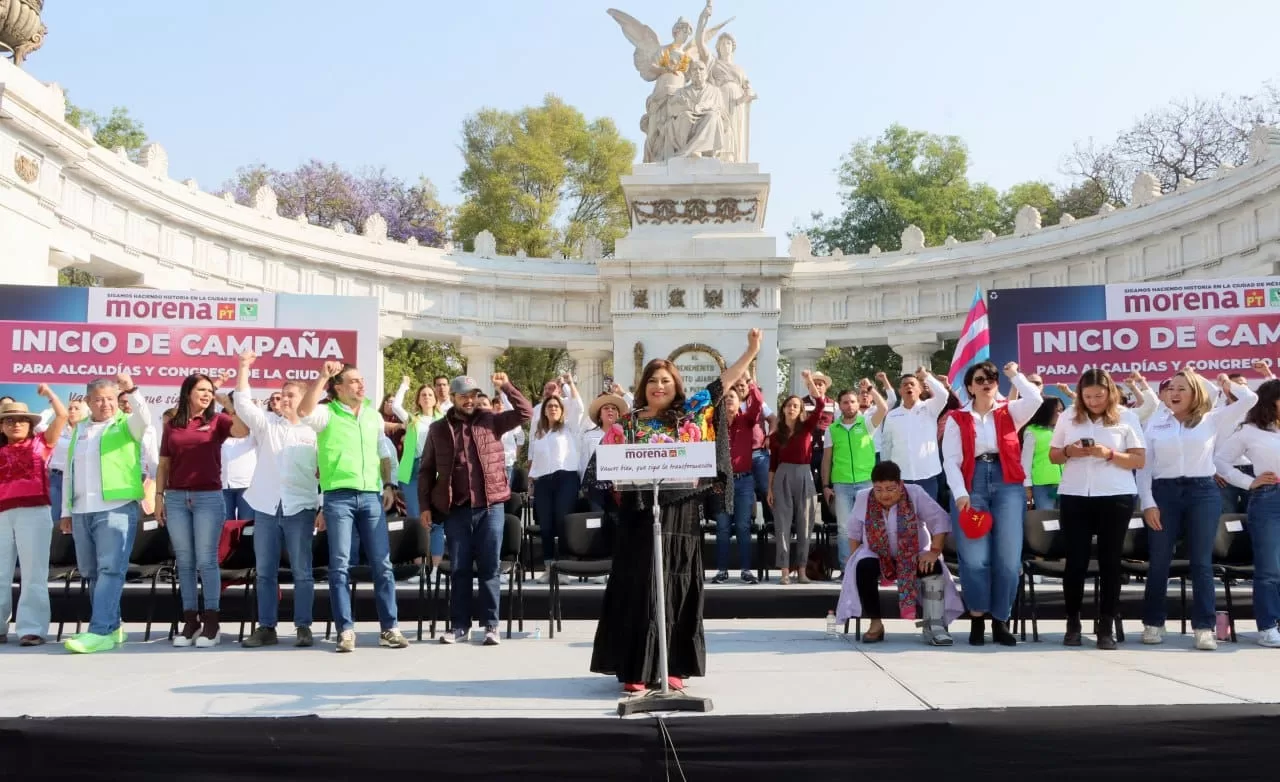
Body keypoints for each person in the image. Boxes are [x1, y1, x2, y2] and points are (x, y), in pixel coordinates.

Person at [588, 329, 761, 693]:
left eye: (666, 380)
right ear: (643, 386)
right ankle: (635, 668)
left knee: (675, 585)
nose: (659, 386)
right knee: (640, 586)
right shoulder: (627, 424)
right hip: (639, 515)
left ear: (676, 385)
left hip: (681, 514)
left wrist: (751, 351)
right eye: (652, 380)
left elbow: (722, 383)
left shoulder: (691, 413)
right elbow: (600, 472)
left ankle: (674, 665)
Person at [1137, 368, 1255, 650]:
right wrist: (1148, 502)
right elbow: (1144, 468)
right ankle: (1153, 622)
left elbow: (1249, 399)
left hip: (1202, 491)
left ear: (1195, 393)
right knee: (1160, 560)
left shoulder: (1212, 419)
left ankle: (1204, 627)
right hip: (1164, 492)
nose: (1174, 394)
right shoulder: (1156, 422)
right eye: (1171, 389)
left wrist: (1225, 384)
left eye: (1182, 388)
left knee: (1201, 562)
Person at [299, 361, 411, 652]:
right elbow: (303, 411)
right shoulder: (327, 413)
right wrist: (323, 375)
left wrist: (389, 485)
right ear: (338, 388)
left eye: (362, 380)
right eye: (353, 381)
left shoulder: (372, 415)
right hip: (339, 498)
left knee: (382, 565)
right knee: (339, 566)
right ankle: (345, 630)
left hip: (372, 496)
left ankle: (390, 628)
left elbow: (383, 451)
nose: (361, 385)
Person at [419, 373, 532, 646]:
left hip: (491, 507)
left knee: (490, 567)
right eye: (463, 396)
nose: (469, 400)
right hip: (456, 509)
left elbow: (526, 412)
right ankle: (459, 626)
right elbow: (426, 471)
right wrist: (424, 506)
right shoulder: (438, 429)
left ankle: (491, 625)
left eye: (472, 395)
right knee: (459, 568)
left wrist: (505, 385)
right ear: (454, 398)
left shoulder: (491, 421)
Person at [941, 361, 1042, 646]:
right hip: (971, 483)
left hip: (1007, 482)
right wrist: (960, 492)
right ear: (970, 386)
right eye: (981, 379)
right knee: (974, 559)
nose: (987, 382)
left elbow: (1035, 398)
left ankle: (1000, 620)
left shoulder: (1010, 410)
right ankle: (977, 616)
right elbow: (950, 459)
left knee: (1008, 560)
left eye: (992, 378)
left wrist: (1013, 375)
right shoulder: (956, 418)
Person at [1050, 369, 1146, 649]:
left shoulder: (1127, 416)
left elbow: (1139, 460)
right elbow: (1054, 454)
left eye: (1099, 396)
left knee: (1110, 561)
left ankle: (1106, 625)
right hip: (1075, 492)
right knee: (1076, 561)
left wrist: (1110, 454)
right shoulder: (1068, 416)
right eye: (1088, 396)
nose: (1093, 401)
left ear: (1110, 393)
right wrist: (1070, 451)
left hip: (1115, 494)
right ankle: (1073, 622)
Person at [232, 352, 322, 649]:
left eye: (291, 395)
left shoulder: (316, 429)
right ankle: (267, 627)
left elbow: (327, 470)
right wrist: (244, 367)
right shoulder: (267, 424)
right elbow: (242, 403)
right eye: (281, 395)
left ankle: (303, 626)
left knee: (302, 571)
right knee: (266, 571)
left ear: (305, 398)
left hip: (301, 507)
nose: (284, 399)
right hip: (267, 507)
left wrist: (321, 504)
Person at [60, 375, 151, 654]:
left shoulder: (126, 425)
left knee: (111, 570)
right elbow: (69, 473)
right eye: (98, 399)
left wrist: (131, 389)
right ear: (88, 402)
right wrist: (66, 510)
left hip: (116, 508)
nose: (105, 404)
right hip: (82, 511)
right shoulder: (80, 430)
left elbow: (145, 419)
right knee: (91, 572)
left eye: (110, 398)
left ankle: (98, 630)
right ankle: (111, 626)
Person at [158, 372, 246, 648]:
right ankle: (190, 621)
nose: (207, 394)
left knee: (206, 560)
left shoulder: (217, 420)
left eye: (210, 390)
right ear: (187, 393)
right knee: (184, 561)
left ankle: (211, 622)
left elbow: (243, 431)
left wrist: (228, 406)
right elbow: (163, 464)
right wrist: (159, 497)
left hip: (208, 497)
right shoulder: (172, 423)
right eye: (201, 390)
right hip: (175, 498)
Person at [835, 460, 963, 645]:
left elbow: (940, 519)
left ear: (900, 484)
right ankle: (875, 624)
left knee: (932, 564)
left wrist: (934, 551)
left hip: (913, 553)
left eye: (889, 489)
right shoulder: (864, 497)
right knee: (862, 566)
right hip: (877, 554)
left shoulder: (915, 493)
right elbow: (854, 531)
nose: (884, 494)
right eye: (878, 489)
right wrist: (854, 559)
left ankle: (934, 625)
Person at [0, 387, 68, 646]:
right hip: (2, 515)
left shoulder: (42, 443)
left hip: (34, 513)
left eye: (21, 420)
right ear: (2, 427)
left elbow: (61, 417)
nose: (15, 424)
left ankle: (32, 629)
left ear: (30, 425)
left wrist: (50, 393)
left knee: (33, 572)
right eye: (9, 420)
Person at [1215, 378, 1280, 648]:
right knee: (1269, 569)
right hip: (1268, 500)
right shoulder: (1249, 431)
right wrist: (1248, 482)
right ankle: (1268, 626)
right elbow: (1219, 461)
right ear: (1270, 402)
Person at [822, 381, 888, 574]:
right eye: (845, 402)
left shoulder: (867, 423)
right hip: (841, 484)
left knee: (869, 526)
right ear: (839, 406)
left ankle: (870, 568)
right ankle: (847, 569)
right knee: (844, 528)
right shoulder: (832, 429)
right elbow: (827, 459)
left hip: (866, 482)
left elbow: (883, 408)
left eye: (852, 401)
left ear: (858, 404)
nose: (849, 405)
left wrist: (870, 389)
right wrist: (825, 485)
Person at [768, 371, 826, 584]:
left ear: (800, 409)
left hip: (804, 475)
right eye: (788, 405)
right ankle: (784, 571)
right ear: (783, 409)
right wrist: (770, 488)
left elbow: (820, 404)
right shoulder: (775, 436)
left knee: (805, 523)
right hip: (782, 475)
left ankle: (801, 570)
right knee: (782, 524)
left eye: (796, 405)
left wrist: (808, 380)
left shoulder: (807, 428)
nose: (792, 408)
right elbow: (772, 464)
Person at [529, 374, 584, 583]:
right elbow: (535, 461)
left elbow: (578, 406)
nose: (552, 408)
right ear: (543, 411)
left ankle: (564, 568)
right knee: (546, 524)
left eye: (556, 406)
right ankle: (549, 567)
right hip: (543, 481)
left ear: (561, 411)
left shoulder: (569, 428)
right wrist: (531, 481)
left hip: (566, 478)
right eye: (549, 406)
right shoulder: (539, 434)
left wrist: (569, 384)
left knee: (563, 521)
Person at [391, 376, 446, 573]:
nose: (427, 397)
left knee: (437, 520)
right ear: (418, 399)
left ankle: (436, 569)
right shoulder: (412, 419)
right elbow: (396, 405)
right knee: (417, 520)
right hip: (415, 471)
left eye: (430, 394)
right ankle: (419, 569)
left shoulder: (444, 419)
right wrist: (404, 385)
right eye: (423, 395)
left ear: (435, 399)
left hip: (438, 472)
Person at [712, 380, 761, 584]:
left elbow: (757, 403)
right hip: (722, 482)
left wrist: (750, 384)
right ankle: (722, 571)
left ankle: (746, 570)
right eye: (724, 399)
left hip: (744, 482)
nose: (728, 401)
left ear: (739, 400)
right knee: (722, 527)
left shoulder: (747, 420)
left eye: (731, 397)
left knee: (742, 526)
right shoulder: (714, 424)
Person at [879, 368, 951, 500]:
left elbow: (943, 395)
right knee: (904, 519)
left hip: (928, 476)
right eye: (905, 385)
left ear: (920, 390)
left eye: (912, 384)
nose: (909, 386)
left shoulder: (930, 408)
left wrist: (926, 376)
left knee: (927, 519)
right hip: (901, 478)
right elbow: (886, 445)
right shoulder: (892, 415)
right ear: (900, 391)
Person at [580, 392, 626, 514]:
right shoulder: (589, 436)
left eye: (614, 408)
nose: (610, 410)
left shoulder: (626, 435)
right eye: (606, 408)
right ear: (600, 415)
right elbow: (583, 462)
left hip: (619, 487)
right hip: (595, 488)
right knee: (598, 520)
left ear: (618, 414)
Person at [1020, 397, 1064, 511]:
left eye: (1061, 410)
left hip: (1066, 484)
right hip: (1043, 486)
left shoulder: (1064, 430)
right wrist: (1027, 487)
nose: (1060, 414)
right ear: (1046, 411)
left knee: (1066, 521)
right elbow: (1026, 462)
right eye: (1056, 411)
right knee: (1047, 521)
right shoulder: (1032, 431)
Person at [47, 398, 86, 525]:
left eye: (76, 408)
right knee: (55, 517)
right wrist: (53, 409)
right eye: (69, 408)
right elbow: (39, 425)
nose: (72, 411)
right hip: (56, 479)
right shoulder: (58, 429)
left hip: (78, 480)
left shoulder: (88, 432)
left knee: (77, 517)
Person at [219, 394, 257, 521]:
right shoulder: (219, 423)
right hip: (223, 485)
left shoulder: (252, 428)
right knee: (224, 527)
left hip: (247, 485)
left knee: (247, 526)